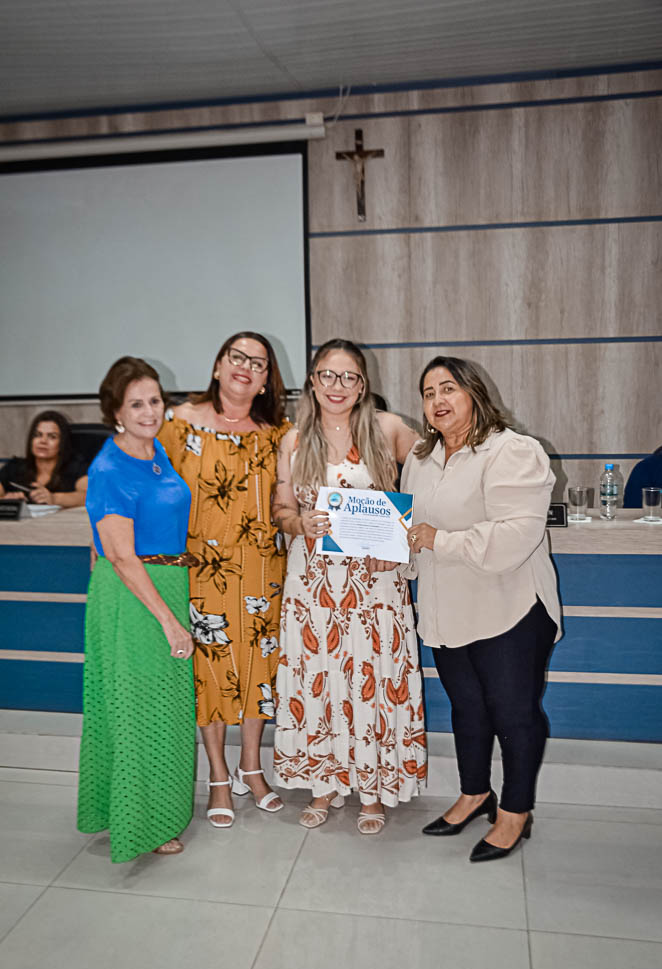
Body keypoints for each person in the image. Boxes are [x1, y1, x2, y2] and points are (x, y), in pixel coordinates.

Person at [402, 356, 561, 861]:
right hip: (447, 608)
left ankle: (515, 811)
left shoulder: (512, 450)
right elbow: (412, 531)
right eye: (428, 393)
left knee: (513, 713)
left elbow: (518, 533)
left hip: (508, 606)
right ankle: (475, 793)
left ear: (475, 392)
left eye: (449, 388)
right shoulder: (421, 458)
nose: (438, 400)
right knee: (467, 708)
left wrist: (439, 541)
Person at [272, 338, 426, 835]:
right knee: (320, 678)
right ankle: (324, 783)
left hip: (374, 586)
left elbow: (438, 478)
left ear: (363, 386)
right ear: (312, 381)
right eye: (327, 375)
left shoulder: (388, 429)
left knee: (371, 679)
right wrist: (299, 525)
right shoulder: (294, 440)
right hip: (313, 587)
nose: (337, 387)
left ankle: (372, 788)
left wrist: (406, 535)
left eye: (349, 377)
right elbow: (280, 511)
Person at [159, 332, 290, 828]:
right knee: (209, 673)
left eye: (259, 363)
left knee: (260, 671)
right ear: (217, 366)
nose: (246, 367)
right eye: (238, 357)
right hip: (200, 568)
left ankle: (251, 766)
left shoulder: (279, 433)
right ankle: (217, 773)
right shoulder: (178, 425)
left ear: (265, 381)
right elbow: (152, 492)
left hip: (262, 568)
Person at [77, 357, 196, 862]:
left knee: (159, 710)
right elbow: (120, 555)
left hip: (161, 584)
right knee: (139, 711)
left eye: (155, 400)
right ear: (116, 413)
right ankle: (140, 823)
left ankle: (143, 810)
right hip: (138, 597)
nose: (150, 411)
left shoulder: (155, 453)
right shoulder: (108, 466)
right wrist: (168, 621)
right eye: (137, 404)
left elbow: (101, 542)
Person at [0, 410, 88, 506]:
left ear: (63, 442)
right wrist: (5, 500)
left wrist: (54, 499)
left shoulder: (77, 467)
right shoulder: (15, 467)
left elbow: (89, 496)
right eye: (38, 435)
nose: (43, 441)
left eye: (52, 437)